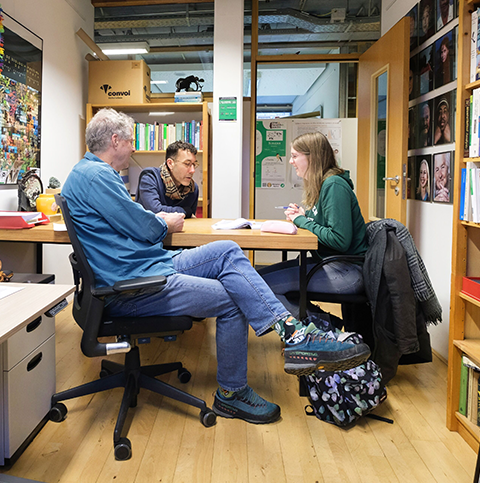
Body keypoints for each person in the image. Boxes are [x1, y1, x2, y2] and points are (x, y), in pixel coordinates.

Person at [61, 108, 369, 425]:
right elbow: (145, 228)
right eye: (129, 141)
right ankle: (232, 394)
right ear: (114, 140)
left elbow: (134, 223)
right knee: (232, 297)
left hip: (148, 267)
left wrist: (155, 222)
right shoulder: (98, 177)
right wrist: (161, 222)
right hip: (136, 285)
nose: (134, 148)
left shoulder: (89, 173)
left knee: (227, 250)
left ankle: (292, 334)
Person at [258, 132, 368, 320]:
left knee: (259, 286)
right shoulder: (324, 184)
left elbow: (339, 240)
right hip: (328, 264)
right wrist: (304, 215)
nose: (291, 162)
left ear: (313, 157)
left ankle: (322, 328)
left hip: (346, 271)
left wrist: (302, 221)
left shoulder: (334, 185)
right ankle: (325, 323)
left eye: (294, 156)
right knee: (256, 280)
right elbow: (325, 222)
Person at [137, 140, 199, 217]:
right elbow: (155, 211)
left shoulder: (193, 188)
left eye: (194, 164)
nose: (192, 170)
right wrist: (185, 211)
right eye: (187, 164)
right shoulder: (150, 177)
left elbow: (190, 220)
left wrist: (187, 213)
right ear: (170, 163)